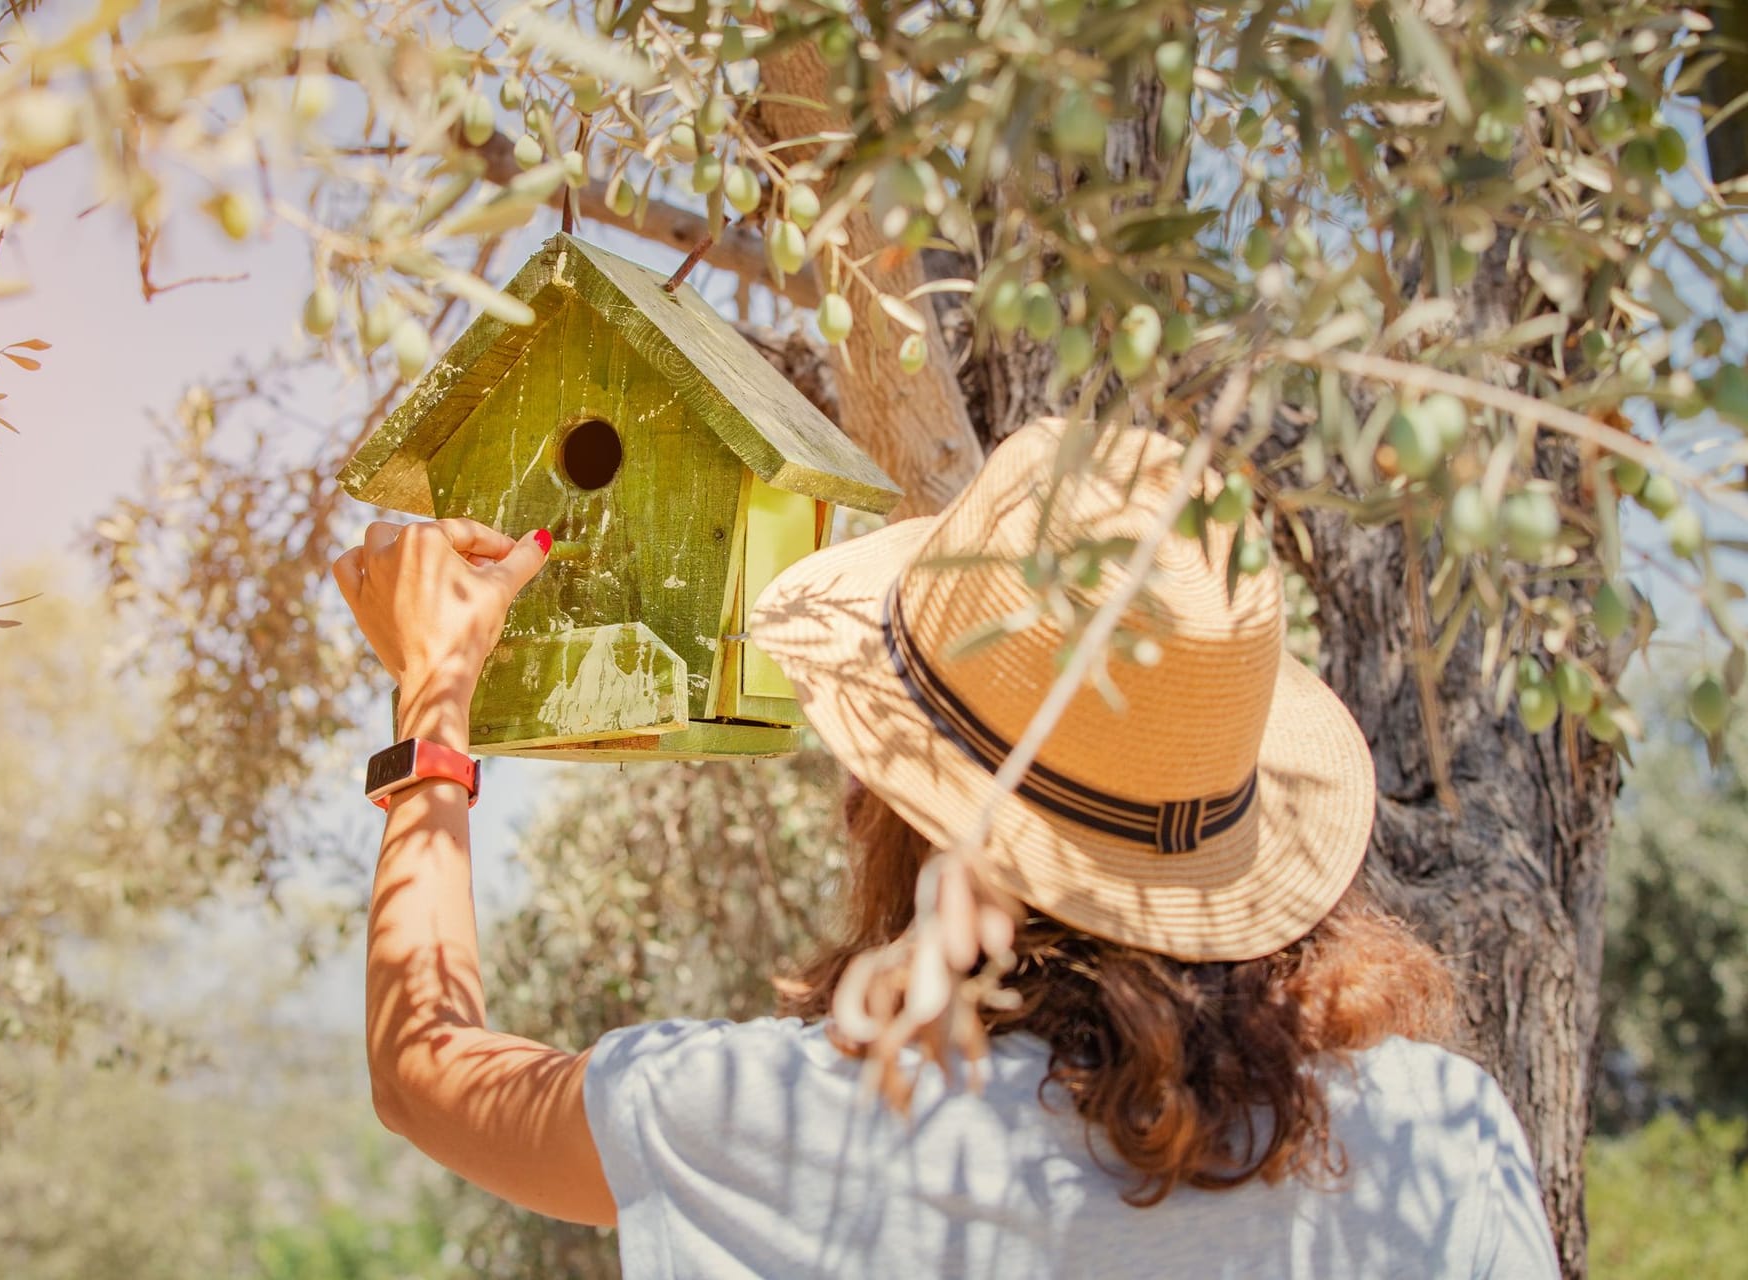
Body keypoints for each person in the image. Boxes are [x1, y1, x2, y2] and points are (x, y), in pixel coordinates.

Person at [332, 421, 1562, 1278]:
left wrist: (435, 697)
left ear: (899, 801)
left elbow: (426, 1066)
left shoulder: (767, 1122)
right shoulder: (1436, 1135)